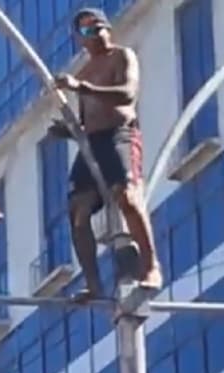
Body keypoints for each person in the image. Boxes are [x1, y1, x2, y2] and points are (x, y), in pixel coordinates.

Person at [50, 8, 162, 298]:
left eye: (99, 26)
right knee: (78, 209)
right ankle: (93, 283)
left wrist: (82, 87)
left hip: (120, 135)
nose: (95, 33)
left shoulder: (122, 57)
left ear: (108, 29)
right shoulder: (84, 72)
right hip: (93, 142)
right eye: (87, 30)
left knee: (126, 196)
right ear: (79, 39)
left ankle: (150, 267)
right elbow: (87, 121)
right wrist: (70, 130)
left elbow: (126, 94)